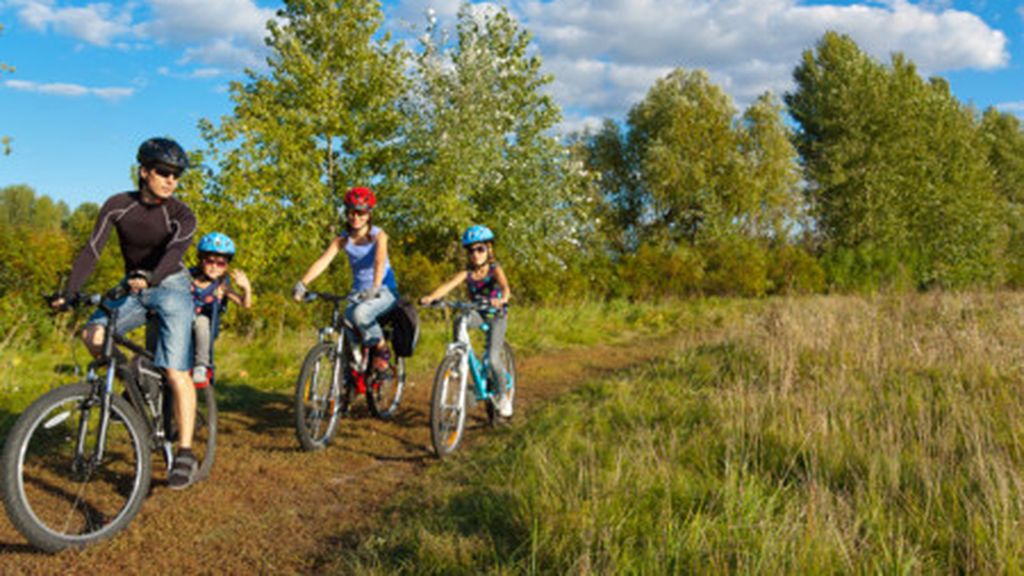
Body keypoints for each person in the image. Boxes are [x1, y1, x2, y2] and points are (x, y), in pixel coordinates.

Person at [51, 137, 201, 489]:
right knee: (93, 335)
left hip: (172, 284)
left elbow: (175, 252)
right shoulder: (117, 206)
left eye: (176, 175)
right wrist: (70, 293)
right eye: (163, 172)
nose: (171, 180)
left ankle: (185, 451)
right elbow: (92, 250)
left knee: (176, 369)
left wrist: (152, 277)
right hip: (132, 284)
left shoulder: (182, 214)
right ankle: (133, 386)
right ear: (144, 171)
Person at [292, 187, 399, 374]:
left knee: (360, 315)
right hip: (358, 293)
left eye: (361, 213)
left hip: (384, 290)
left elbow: (379, 260)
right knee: (345, 320)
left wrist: (375, 286)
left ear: (369, 214)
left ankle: (381, 348)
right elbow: (324, 261)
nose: (356, 217)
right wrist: (303, 283)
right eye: (352, 212)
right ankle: (354, 367)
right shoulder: (342, 239)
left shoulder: (378, 236)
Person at [419, 225, 513, 417]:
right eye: (471, 250)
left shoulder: (495, 269)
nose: (476, 254)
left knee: (494, 358)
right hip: (478, 312)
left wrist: (502, 299)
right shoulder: (467, 273)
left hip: (496, 313)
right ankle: (458, 355)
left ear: (489, 250)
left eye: (480, 249)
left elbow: (505, 288)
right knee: (460, 318)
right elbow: (448, 286)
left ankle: (504, 396)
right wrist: (431, 297)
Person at [189, 232, 253, 386]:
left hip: (206, 326)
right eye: (210, 261)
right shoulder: (188, 277)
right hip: (181, 320)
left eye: (221, 263)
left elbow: (245, 304)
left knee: (201, 321)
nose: (214, 267)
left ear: (227, 266)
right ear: (201, 260)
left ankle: (201, 365)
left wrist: (246, 289)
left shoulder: (222, 285)